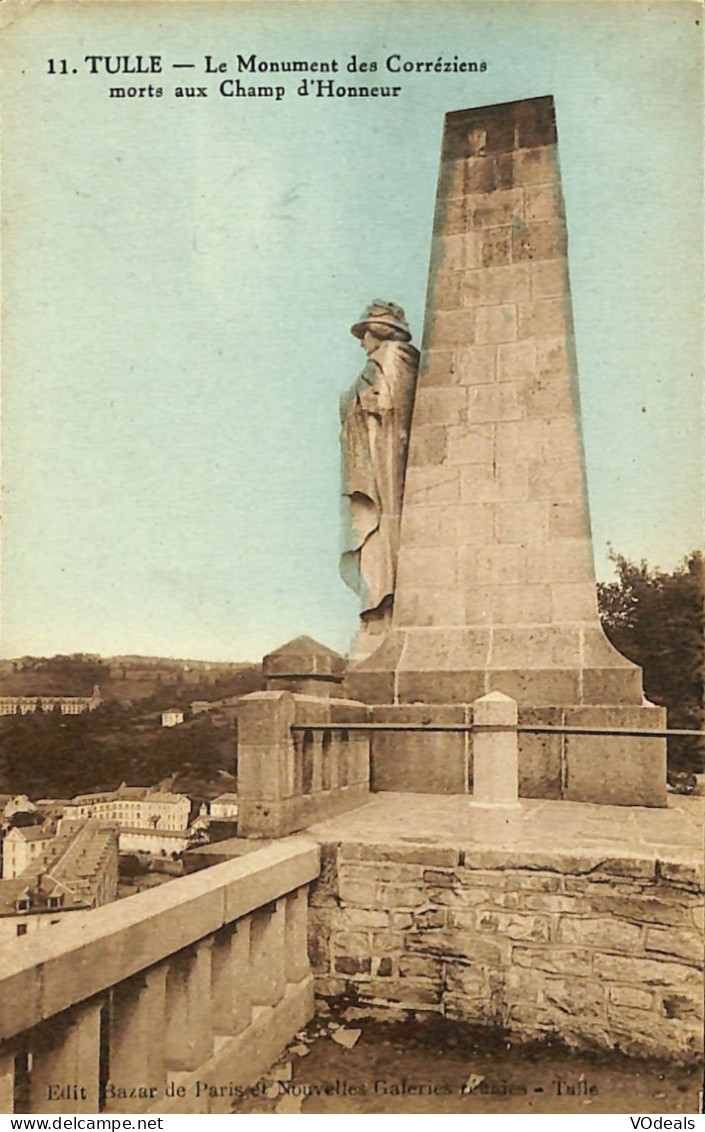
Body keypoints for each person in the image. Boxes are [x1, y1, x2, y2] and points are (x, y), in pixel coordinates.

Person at [340, 300, 419, 657]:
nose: (362, 341)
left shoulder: (387, 360)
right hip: (373, 459)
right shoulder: (392, 361)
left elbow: (382, 408)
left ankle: (381, 606)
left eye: (365, 333)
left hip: (381, 465)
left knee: (380, 534)